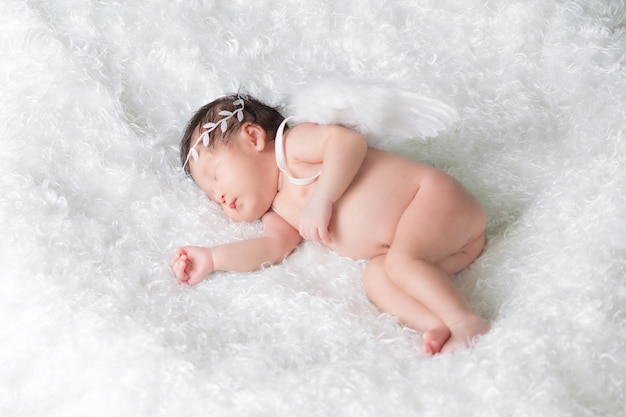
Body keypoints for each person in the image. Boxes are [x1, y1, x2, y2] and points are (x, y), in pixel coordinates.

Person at [170, 94, 490, 354]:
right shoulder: (278, 209)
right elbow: (272, 246)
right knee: (377, 276)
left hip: (432, 200)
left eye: (217, 177)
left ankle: (466, 323)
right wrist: (212, 258)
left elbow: (347, 142)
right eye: (213, 196)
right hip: (433, 245)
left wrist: (322, 198)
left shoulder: (291, 147)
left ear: (253, 137)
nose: (221, 196)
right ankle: (435, 323)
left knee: (404, 262)